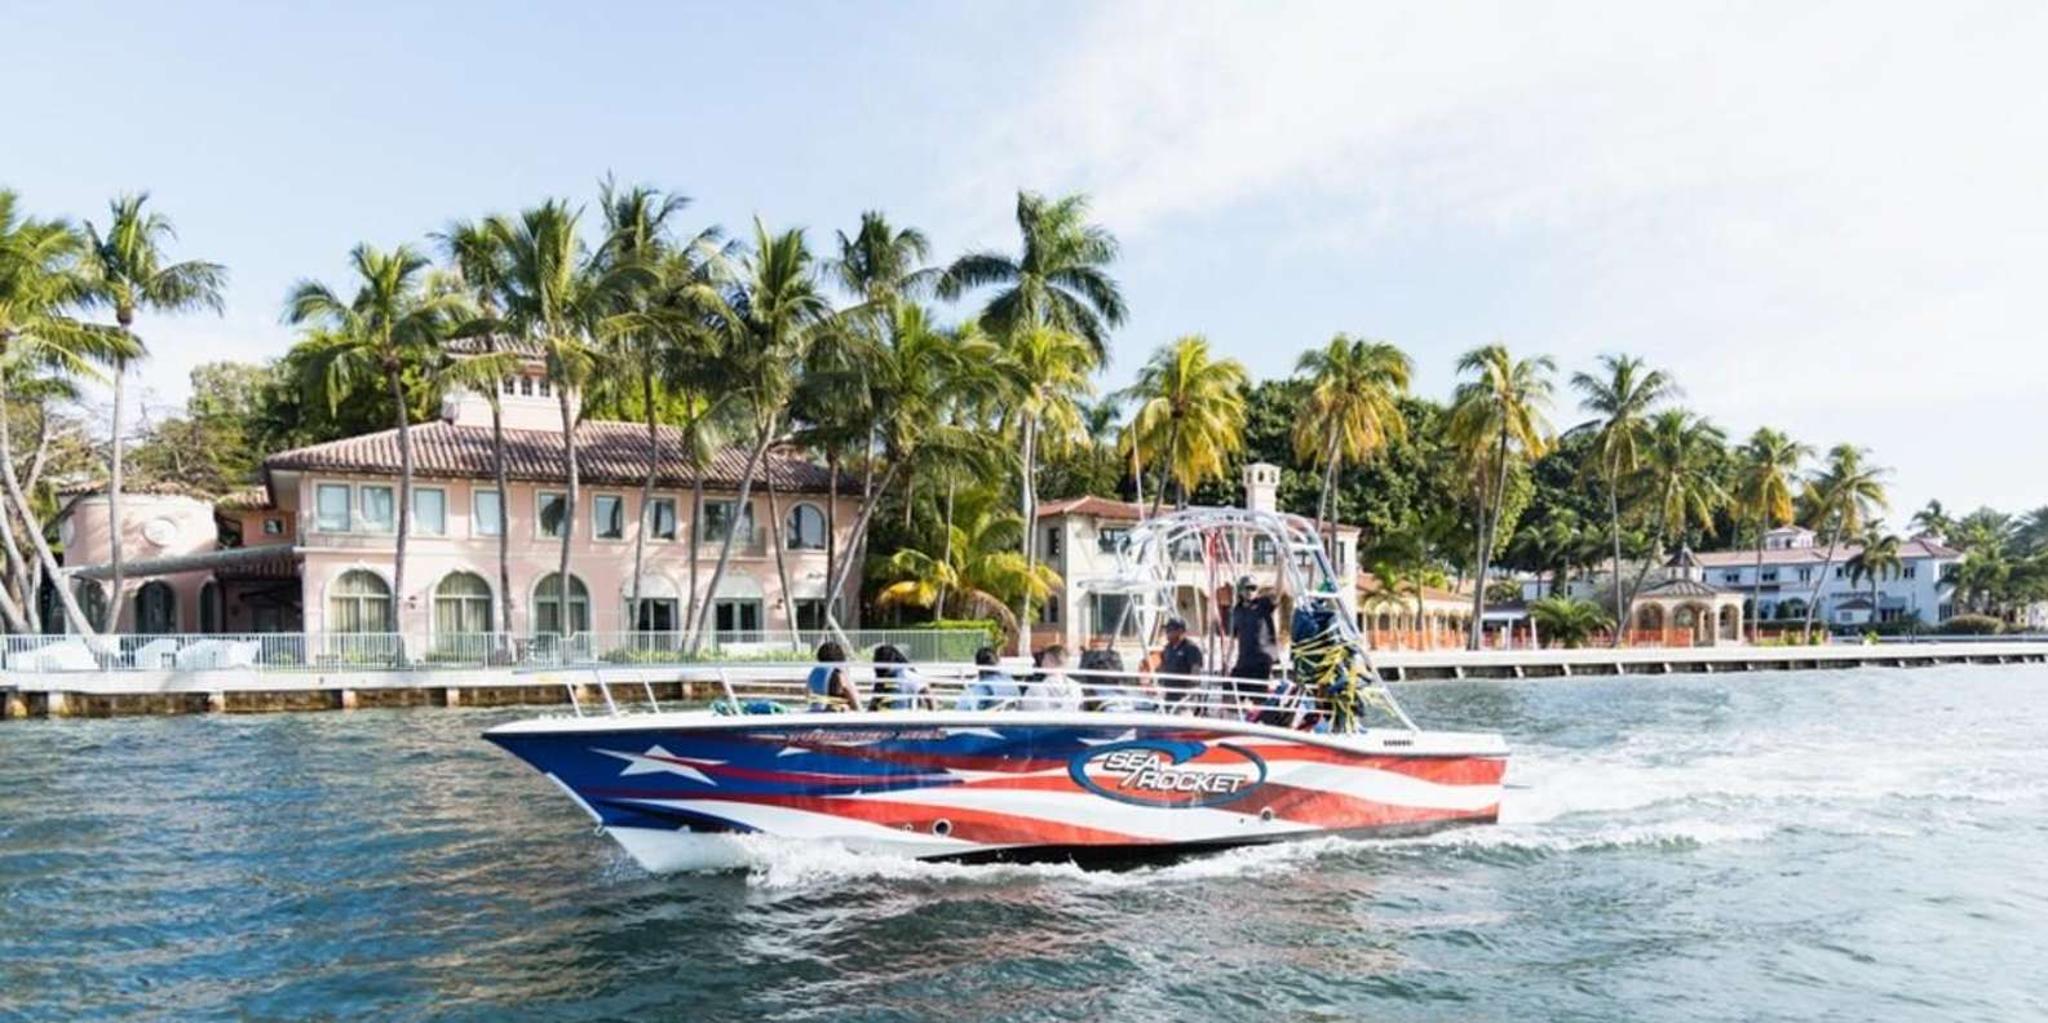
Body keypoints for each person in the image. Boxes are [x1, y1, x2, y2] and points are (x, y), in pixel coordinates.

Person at [1226, 575, 1282, 707]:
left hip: (1262, 661)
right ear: (1240, 590)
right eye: (1248, 588)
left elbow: (1278, 593)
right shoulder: (1236, 611)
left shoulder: (1264, 604)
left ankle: (1258, 720)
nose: (1250, 591)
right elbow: (1232, 640)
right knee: (1230, 692)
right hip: (1244, 660)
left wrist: (1282, 565)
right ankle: (1237, 722)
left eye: (1254, 588)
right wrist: (1227, 661)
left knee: (1259, 698)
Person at [1154, 617, 1206, 711]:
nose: (1167, 633)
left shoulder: (1191, 649)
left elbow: (1195, 673)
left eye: (1170, 630)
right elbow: (1162, 668)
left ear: (1180, 631)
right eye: (1167, 630)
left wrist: (1189, 695)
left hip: (1184, 697)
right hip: (1168, 695)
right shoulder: (1167, 649)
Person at [1019, 644, 1084, 712]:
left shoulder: (1036, 689)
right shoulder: (1076, 687)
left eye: (1043, 659)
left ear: (1049, 660)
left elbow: (1024, 709)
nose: (1042, 662)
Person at [867, 643, 931, 710]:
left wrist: (932, 717)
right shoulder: (880, 678)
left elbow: (928, 695)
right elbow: (874, 701)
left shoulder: (906, 675)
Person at [955, 646, 1020, 710]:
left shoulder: (982, 688)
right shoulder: (1010, 682)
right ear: (998, 662)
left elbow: (962, 708)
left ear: (978, 665)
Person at [805, 641, 860, 712]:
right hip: (833, 714)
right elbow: (854, 699)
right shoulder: (839, 673)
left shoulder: (814, 672)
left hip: (815, 711)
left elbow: (807, 694)